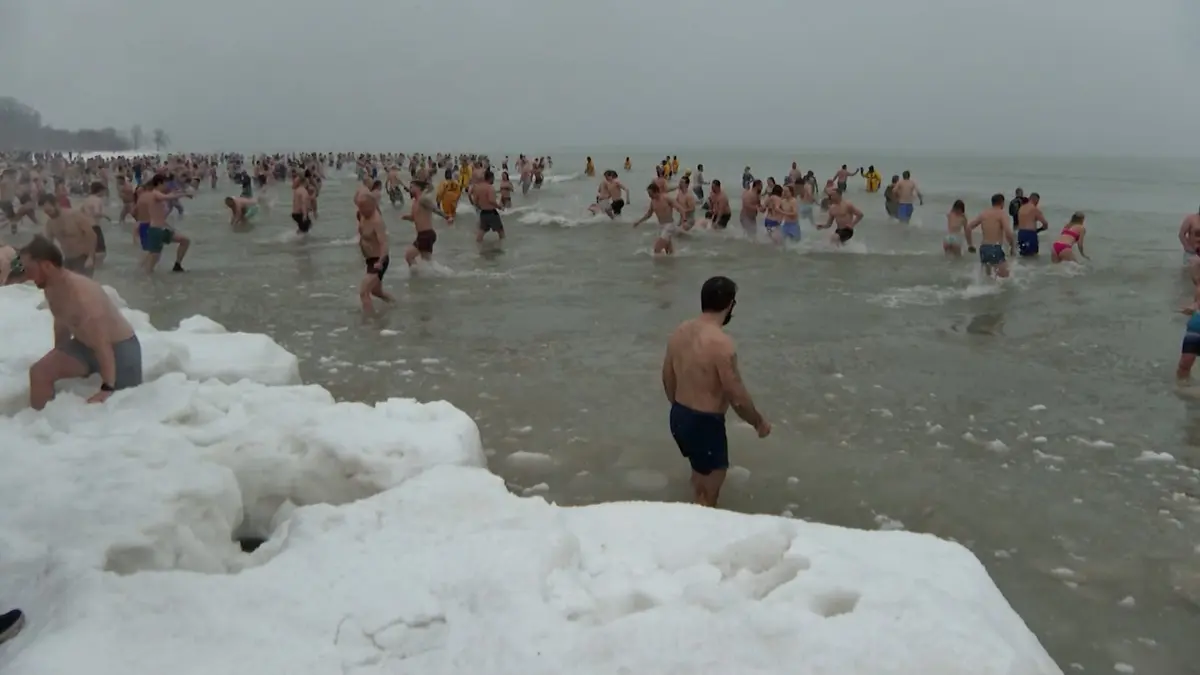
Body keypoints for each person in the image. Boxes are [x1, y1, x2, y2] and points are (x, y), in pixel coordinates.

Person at [662, 276, 770, 507]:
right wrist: (758, 422)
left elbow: (667, 376)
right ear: (730, 305)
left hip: (679, 416)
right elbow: (737, 397)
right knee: (710, 493)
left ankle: (692, 512)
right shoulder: (722, 344)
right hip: (705, 422)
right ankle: (703, 533)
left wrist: (679, 408)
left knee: (699, 474)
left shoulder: (681, 330)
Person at [20, 235, 143, 411]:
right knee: (39, 373)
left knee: (121, 408)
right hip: (84, 347)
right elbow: (62, 324)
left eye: (30, 269)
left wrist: (106, 388)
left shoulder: (82, 295)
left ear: (47, 266)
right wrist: (59, 354)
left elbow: (102, 344)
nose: (27, 275)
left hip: (118, 350)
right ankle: (40, 426)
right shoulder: (51, 287)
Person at [966, 193, 1016, 278]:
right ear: (1002, 203)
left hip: (984, 248)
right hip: (995, 248)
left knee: (988, 278)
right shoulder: (1001, 214)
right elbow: (1008, 231)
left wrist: (970, 245)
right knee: (1005, 277)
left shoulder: (984, 213)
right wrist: (1012, 246)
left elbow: (968, 228)